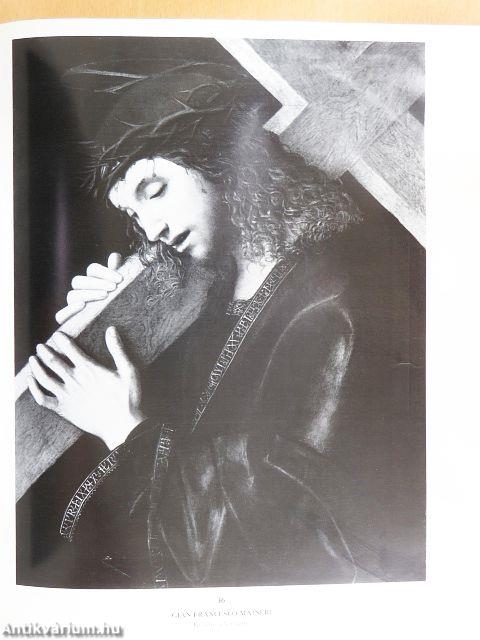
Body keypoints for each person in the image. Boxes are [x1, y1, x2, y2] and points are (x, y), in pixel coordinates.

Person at [20, 61, 425, 588]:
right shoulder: (212, 293)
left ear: (223, 156)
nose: (151, 228)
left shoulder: (337, 300)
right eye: (134, 215)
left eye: (154, 190)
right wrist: (113, 326)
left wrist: (123, 429)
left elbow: (289, 536)